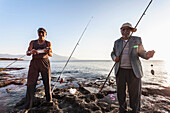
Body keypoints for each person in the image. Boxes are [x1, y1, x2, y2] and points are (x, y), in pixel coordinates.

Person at [111, 22, 155, 113]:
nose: (125, 31)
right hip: (120, 71)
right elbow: (113, 53)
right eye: (123, 29)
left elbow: (141, 52)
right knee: (120, 93)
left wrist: (147, 55)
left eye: (128, 29)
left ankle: (135, 111)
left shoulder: (137, 40)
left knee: (135, 94)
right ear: (121, 31)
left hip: (134, 72)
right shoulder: (117, 42)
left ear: (131, 31)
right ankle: (122, 110)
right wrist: (115, 58)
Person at [24, 27, 53, 109]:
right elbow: (27, 53)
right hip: (34, 63)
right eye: (39, 32)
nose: (41, 34)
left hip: (45, 63)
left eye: (43, 32)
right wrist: (31, 51)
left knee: (47, 82)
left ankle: (49, 101)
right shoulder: (32, 42)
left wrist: (48, 51)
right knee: (30, 83)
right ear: (38, 33)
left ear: (45, 34)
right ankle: (28, 105)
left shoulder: (48, 43)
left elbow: (51, 54)